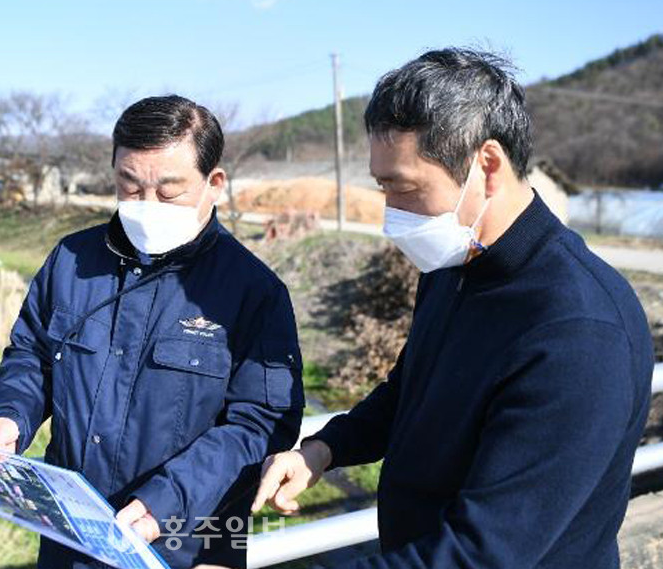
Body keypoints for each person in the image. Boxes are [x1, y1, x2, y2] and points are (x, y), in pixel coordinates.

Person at [252, 49, 654, 568]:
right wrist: (325, 449)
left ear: (486, 165)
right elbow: (410, 390)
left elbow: (480, 553)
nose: (391, 214)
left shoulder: (578, 331)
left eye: (407, 189)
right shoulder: (455, 265)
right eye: (383, 188)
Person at [0, 94, 305, 569]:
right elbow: (31, 354)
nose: (147, 204)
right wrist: (11, 414)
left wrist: (168, 499)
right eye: (129, 187)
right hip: (72, 533)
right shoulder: (72, 261)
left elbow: (260, 423)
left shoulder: (253, 291)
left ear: (214, 184)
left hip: (188, 538)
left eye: (168, 192)